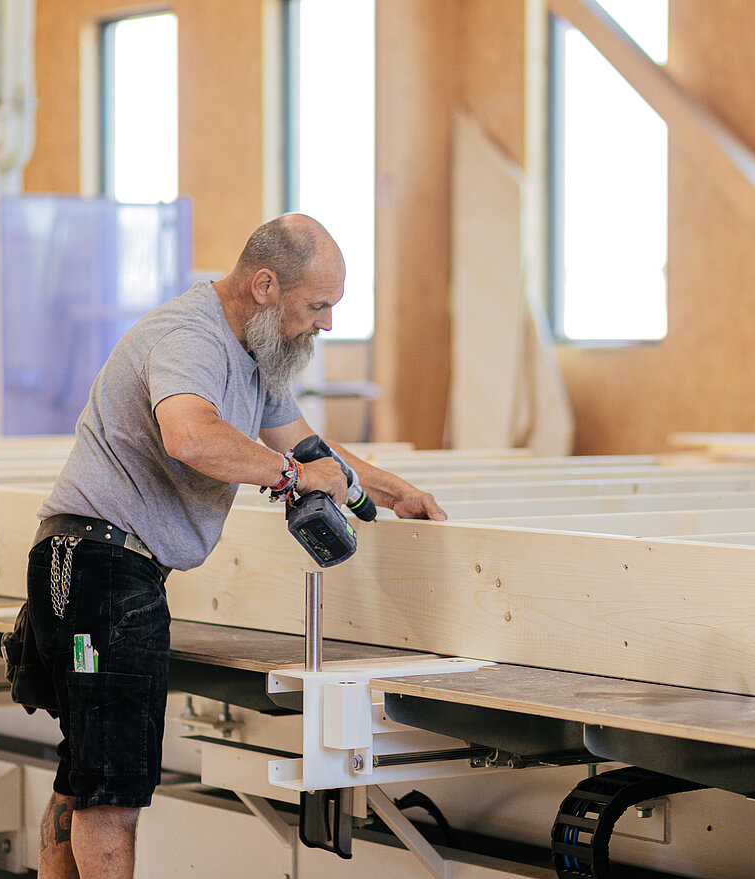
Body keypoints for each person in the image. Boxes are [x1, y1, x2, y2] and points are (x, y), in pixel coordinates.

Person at [26, 213, 446, 879]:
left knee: (88, 775)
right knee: (112, 794)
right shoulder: (190, 337)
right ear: (265, 285)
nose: (325, 324)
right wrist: (294, 477)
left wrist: (393, 492)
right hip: (98, 571)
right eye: (317, 306)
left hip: (99, 571)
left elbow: (310, 449)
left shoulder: (257, 359)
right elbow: (190, 436)